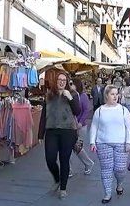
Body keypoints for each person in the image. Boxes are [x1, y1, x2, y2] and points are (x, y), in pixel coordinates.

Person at [38, 72, 80, 200]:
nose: (61, 82)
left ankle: (63, 188)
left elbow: (77, 111)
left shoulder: (72, 94)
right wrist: (40, 134)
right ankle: (57, 179)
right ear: (55, 82)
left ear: (67, 82)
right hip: (51, 130)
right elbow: (44, 115)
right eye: (59, 80)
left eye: (64, 80)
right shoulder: (49, 96)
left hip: (68, 131)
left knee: (64, 160)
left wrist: (70, 98)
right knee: (50, 158)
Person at [90, 85, 130, 204]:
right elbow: (94, 126)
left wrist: (129, 142)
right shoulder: (99, 111)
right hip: (103, 143)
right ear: (106, 96)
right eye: (112, 94)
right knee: (106, 169)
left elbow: (129, 127)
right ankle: (107, 193)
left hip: (121, 143)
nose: (115, 96)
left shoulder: (123, 110)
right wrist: (92, 142)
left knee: (119, 169)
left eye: (116, 94)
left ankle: (120, 183)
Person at [69, 77, 94, 177]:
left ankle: (88, 163)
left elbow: (86, 111)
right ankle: (69, 169)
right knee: (68, 148)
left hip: (80, 126)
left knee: (77, 148)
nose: (69, 85)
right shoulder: (68, 95)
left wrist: (80, 122)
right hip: (69, 126)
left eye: (71, 84)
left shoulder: (83, 97)